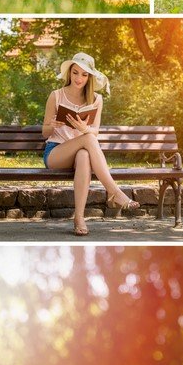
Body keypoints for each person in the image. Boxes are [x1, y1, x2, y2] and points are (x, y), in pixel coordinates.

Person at [42, 52, 140, 234]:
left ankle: (79, 218)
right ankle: (114, 192)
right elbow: (44, 132)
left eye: (84, 74)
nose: (79, 78)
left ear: (90, 77)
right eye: (75, 72)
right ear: (69, 73)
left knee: (84, 152)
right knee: (88, 139)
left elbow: (95, 130)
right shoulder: (56, 96)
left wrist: (84, 128)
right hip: (56, 152)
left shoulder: (96, 99)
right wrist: (53, 125)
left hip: (80, 153)